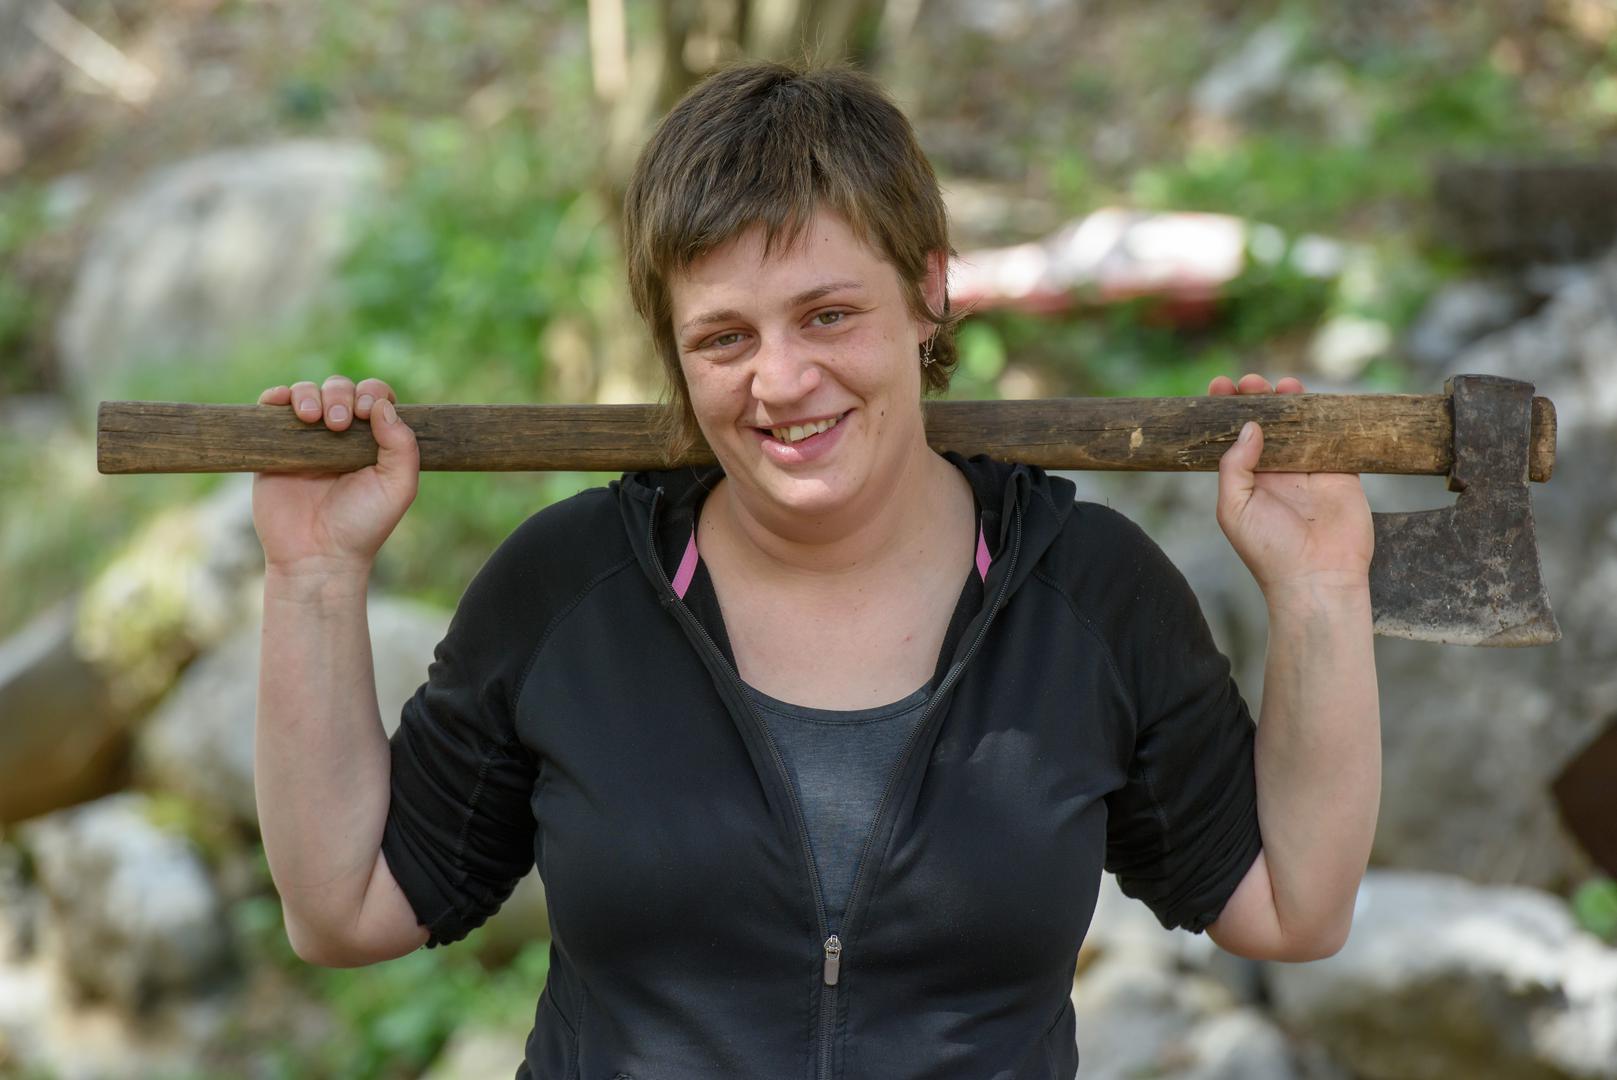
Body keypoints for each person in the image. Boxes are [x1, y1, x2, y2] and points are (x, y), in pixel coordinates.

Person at [252, 60, 1380, 1079]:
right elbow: (346, 911)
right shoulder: (569, 590)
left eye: (828, 315)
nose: (781, 381)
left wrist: (1319, 588)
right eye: (724, 337)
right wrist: (313, 577)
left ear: (929, 292)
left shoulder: (1086, 594)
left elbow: (1294, 907)